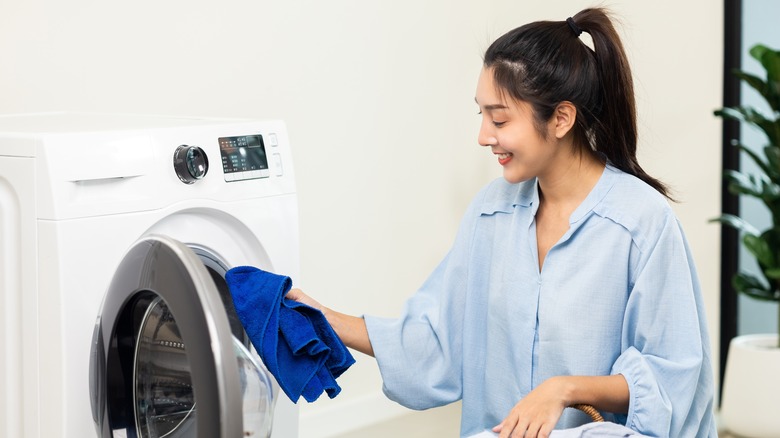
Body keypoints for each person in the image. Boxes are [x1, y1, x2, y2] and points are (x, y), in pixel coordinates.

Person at [288, 7, 718, 438]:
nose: (483, 136)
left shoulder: (641, 223)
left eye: (500, 119)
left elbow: (672, 377)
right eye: (482, 116)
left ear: (562, 118)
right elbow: (439, 340)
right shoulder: (491, 212)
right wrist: (322, 316)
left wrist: (563, 389)